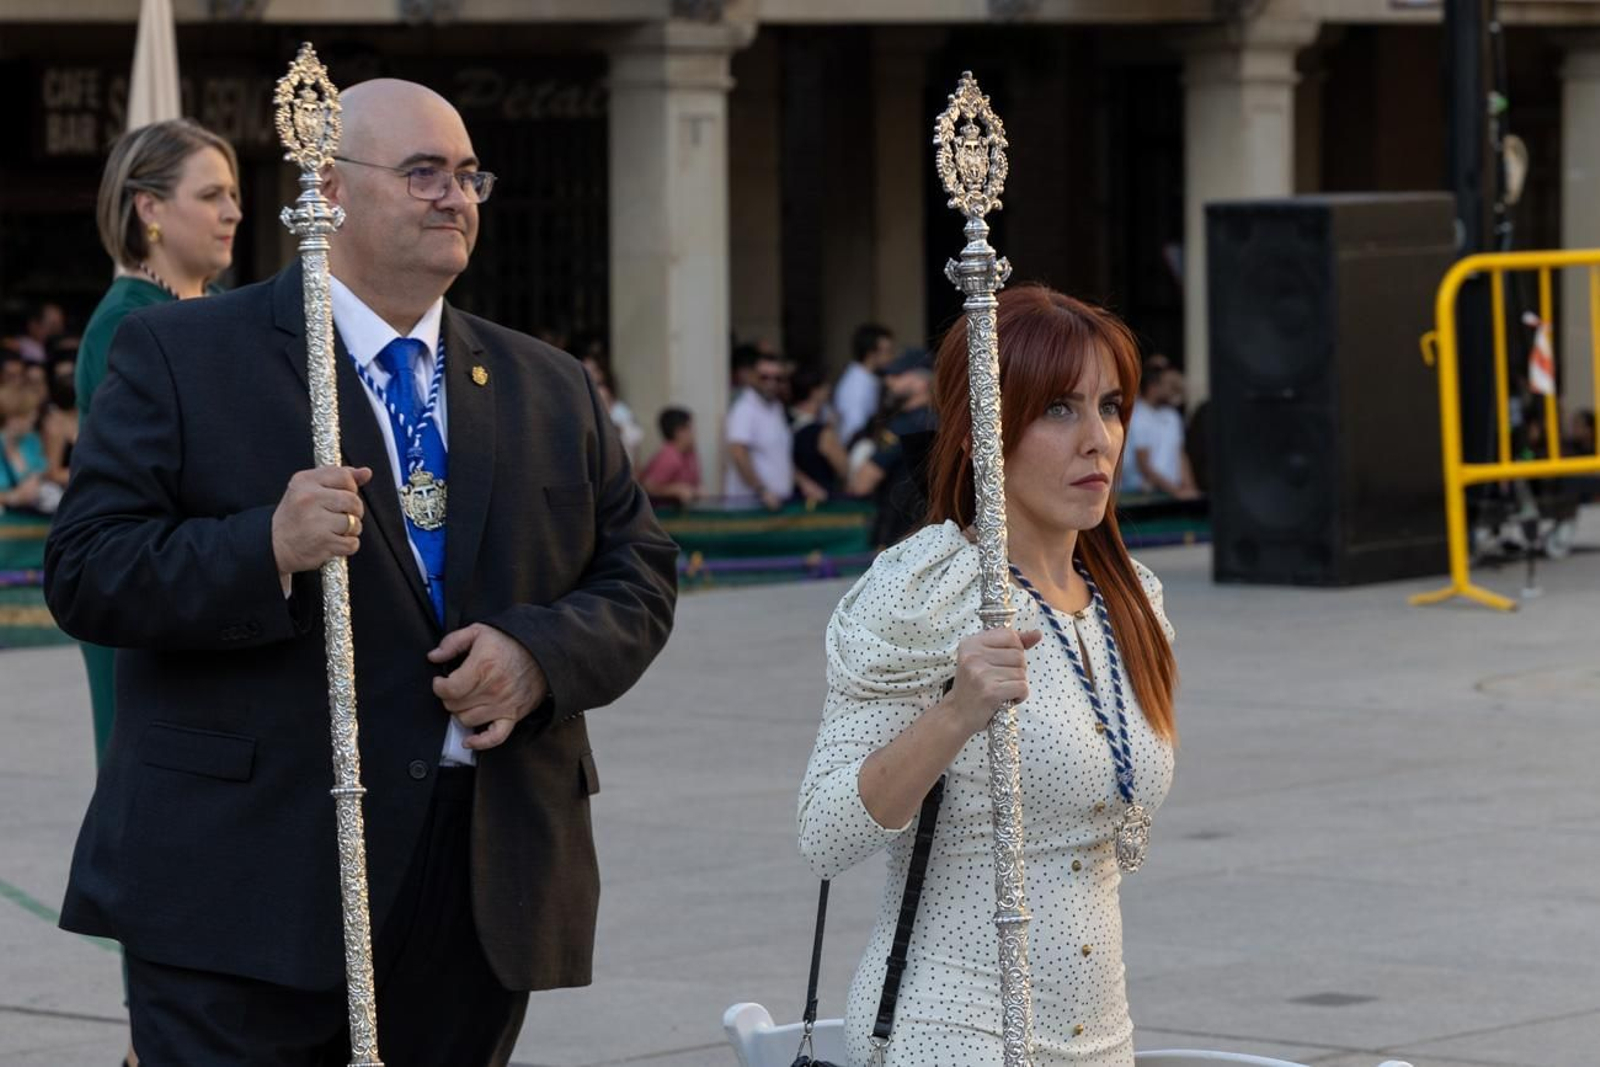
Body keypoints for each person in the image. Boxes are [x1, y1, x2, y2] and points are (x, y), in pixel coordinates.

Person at [45, 79, 678, 1066]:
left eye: (469, 175)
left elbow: (637, 571)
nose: (453, 195)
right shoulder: (182, 352)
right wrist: (265, 545)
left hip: (474, 884)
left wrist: (540, 654)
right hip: (246, 879)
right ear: (328, 191)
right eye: (423, 171)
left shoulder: (546, 385)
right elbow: (87, 569)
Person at [798, 284, 1177, 1066]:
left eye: (1109, 406)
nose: (1098, 440)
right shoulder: (924, 593)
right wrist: (953, 716)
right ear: (980, 431)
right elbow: (825, 833)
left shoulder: (1133, 601)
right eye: (1058, 410)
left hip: (1104, 1035)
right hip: (953, 1028)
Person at [848, 347, 938, 547]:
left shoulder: (904, 426)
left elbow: (862, 483)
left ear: (921, 382)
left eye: (897, 375)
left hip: (899, 537)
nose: (889, 381)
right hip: (932, 535)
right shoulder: (942, 421)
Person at [726, 352, 825, 509]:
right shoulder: (744, 409)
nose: (771, 383)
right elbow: (738, 453)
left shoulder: (776, 408)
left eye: (777, 378)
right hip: (750, 507)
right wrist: (761, 490)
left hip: (776, 505)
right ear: (752, 376)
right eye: (764, 377)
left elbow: (779, 458)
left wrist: (805, 483)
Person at [1121, 361, 1197, 499]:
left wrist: (1189, 487)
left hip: (1175, 494)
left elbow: (1180, 454)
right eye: (1168, 384)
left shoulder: (1173, 415)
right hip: (1144, 497)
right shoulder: (1136, 416)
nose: (1172, 389)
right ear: (1153, 387)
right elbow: (1144, 466)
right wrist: (1176, 492)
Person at [790, 365, 849, 499]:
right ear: (814, 391)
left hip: (791, 502)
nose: (828, 390)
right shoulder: (823, 433)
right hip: (821, 503)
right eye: (825, 386)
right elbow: (844, 469)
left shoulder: (783, 423)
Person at [835, 322, 895, 444]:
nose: (892, 356)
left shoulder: (871, 378)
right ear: (871, 354)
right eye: (888, 351)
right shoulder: (856, 386)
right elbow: (854, 430)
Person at [638, 405, 702, 506]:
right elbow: (648, 487)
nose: (694, 432)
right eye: (690, 428)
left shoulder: (690, 453)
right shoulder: (669, 456)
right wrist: (673, 490)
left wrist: (697, 491)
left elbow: (694, 485)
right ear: (679, 432)